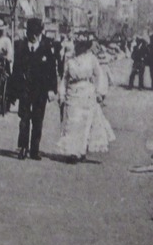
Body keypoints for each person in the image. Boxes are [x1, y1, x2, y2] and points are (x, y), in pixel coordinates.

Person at [55, 33, 115, 162]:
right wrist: (62, 94)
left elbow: (99, 75)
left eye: (82, 45)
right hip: (72, 94)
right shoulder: (69, 60)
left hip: (87, 94)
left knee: (84, 124)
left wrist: (100, 92)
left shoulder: (91, 59)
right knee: (72, 123)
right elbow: (64, 78)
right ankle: (71, 152)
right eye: (78, 45)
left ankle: (80, 151)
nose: (79, 48)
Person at [10, 17, 61, 160]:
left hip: (41, 90)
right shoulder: (20, 47)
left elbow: (52, 70)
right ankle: (22, 147)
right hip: (25, 88)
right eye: (31, 33)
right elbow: (16, 69)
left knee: (38, 119)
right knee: (24, 119)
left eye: (36, 33)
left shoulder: (46, 47)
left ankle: (35, 149)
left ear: (39, 33)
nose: (33, 36)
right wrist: (14, 91)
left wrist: (52, 89)